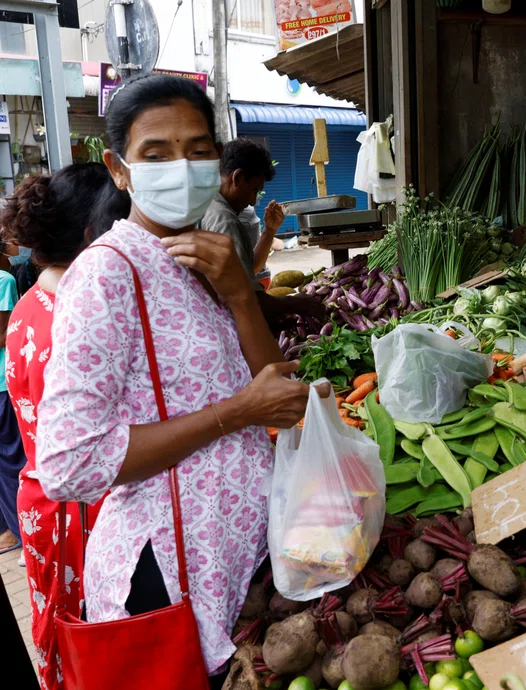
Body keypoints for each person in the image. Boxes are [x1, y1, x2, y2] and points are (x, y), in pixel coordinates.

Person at [35, 75, 314, 689]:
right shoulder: (106, 276)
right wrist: (235, 412)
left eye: (197, 150)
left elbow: (276, 393)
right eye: (155, 154)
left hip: (237, 559)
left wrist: (242, 295)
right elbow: (68, 463)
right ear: (119, 169)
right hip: (165, 574)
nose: (180, 168)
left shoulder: (204, 257)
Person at [1, 162, 130, 689]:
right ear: (90, 234)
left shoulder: (29, 305)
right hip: (85, 515)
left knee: (72, 647)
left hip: (43, 508)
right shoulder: (80, 317)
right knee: (108, 647)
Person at [201, 138, 325, 328]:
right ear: (238, 178)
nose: (253, 201)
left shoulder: (212, 205)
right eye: (254, 190)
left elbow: (249, 269)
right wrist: (299, 302)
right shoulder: (224, 220)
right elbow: (251, 302)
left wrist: (269, 231)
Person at [0, 258, 24, 560]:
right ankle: (11, 529)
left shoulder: (4, 280)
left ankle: (22, 532)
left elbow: (4, 333)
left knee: (12, 463)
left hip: (4, 386)